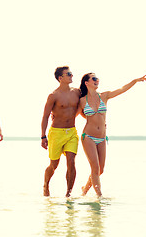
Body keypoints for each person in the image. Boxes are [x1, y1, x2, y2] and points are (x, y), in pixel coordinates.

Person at [79, 72, 146, 197]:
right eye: (94, 78)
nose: (97, 80)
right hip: (88, 137)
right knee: (94, 167)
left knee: (100, 170)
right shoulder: (82, 100)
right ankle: (99, 197)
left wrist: (135, 80)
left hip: (102, 138)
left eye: (97, 78)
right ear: (86, 82)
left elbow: (122, 89)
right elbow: (73, 114)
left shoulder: (104, 96)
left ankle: (84, 190)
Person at [41, 66, 81, 197]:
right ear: (60, 78)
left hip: (72, 132)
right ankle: (46, 184)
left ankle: (68, 194)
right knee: (54, 165)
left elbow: (87, 103)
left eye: (71, 73)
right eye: (68, 74)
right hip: (56, 133)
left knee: (71, 161)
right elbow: (45, 116)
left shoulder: (77, 92)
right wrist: (43, 136)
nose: (71, 75)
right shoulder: (53, 95)